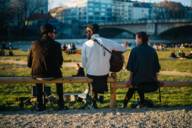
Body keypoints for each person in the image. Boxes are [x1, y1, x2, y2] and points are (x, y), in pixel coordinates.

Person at [82, 24, 126, 108]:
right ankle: (96, 98)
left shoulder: (85, 44)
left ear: (91, 32)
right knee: (98, 73)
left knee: (90, 73)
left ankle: (93, 100)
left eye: (87, 32)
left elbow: (84, 64)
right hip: (104, 74)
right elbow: (123, 49)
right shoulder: (108, 41)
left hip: (91, 74)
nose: (86, 34)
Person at [27, 23, 65, 111]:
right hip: (52, 75)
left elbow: (29, 63)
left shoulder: (34, 44)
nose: (54, 34)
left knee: (38, 75)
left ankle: (40, 104)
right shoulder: (57, 45)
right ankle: (61, 104)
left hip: (37, 75)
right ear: (49, 34)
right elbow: (60, 62)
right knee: (59, 78)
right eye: (53, 33)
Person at [123, 32, 161, 108]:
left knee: (134, 84)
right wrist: (156, 80)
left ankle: (124, 104)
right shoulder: (153, 50)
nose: (135, 40)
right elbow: (156, 68)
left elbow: (131, 68)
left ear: (140, 39)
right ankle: (142, 101)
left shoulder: (134, 50)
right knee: (138, 82)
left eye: (136, 38)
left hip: (139, 82)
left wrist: (129, 80)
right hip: (151, 82)